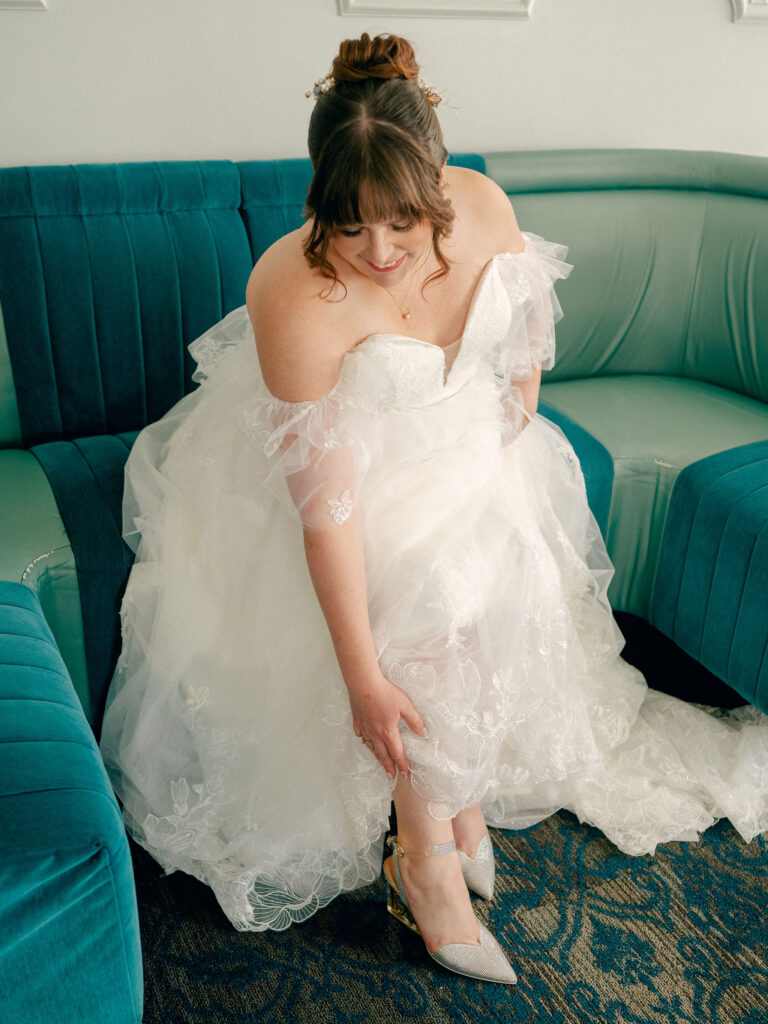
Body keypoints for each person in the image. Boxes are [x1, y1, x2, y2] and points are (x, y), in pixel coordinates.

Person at [99, 32, 768, 986]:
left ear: (441, 185)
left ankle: (455, 808)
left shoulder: (487, 209)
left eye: (403, 226)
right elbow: (325, 514)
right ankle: (427, 860)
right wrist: (360, 677)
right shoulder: (294, 294)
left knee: (498, 581)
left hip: (470, 456)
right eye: (349, 224)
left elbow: (527, 310)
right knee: (425, 611)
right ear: (318, 205)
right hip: (351, 494)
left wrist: (523, 378)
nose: (377, 253)